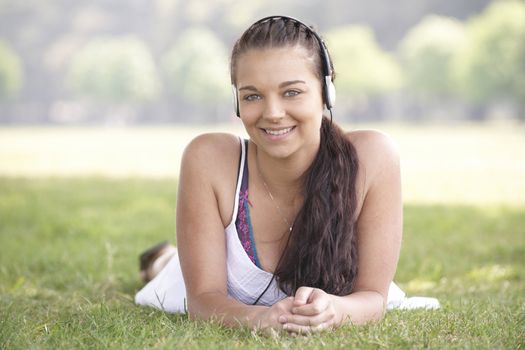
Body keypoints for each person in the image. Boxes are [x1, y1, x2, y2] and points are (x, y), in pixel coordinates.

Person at [135, 15, 426, 335]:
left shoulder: (372, 157)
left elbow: (372, 297)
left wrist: (335, 309)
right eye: (252, 96)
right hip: (210, 283)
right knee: (169, 271)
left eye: (291, 93)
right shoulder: (209, 158)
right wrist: (257, 319)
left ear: (326, 93)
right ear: (237, 102)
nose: (272, 113)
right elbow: (203, 300)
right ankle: (162, 259)